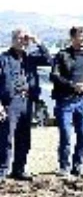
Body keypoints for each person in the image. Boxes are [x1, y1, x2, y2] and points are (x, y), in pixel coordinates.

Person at [0, 29, 51, 181]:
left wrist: (37, 40)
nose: (23, 41)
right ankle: (2, 171)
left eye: (26, 39)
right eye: (21, 38)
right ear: (13, 40)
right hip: (10, 102)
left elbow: (49, 60)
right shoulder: (4, 59)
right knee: (6, 138)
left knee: (24, 138)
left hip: (27, 101)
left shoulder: (31, 58)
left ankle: (19, 169)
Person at [50, 26, 83, 178]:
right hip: (65, 102)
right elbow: (54, 76)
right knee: (66, 135)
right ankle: (64, 167)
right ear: (73, 37)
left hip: (82, 101)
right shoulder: (62, 55)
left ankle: (78, 166)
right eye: (81, 36)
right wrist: (72, 85)